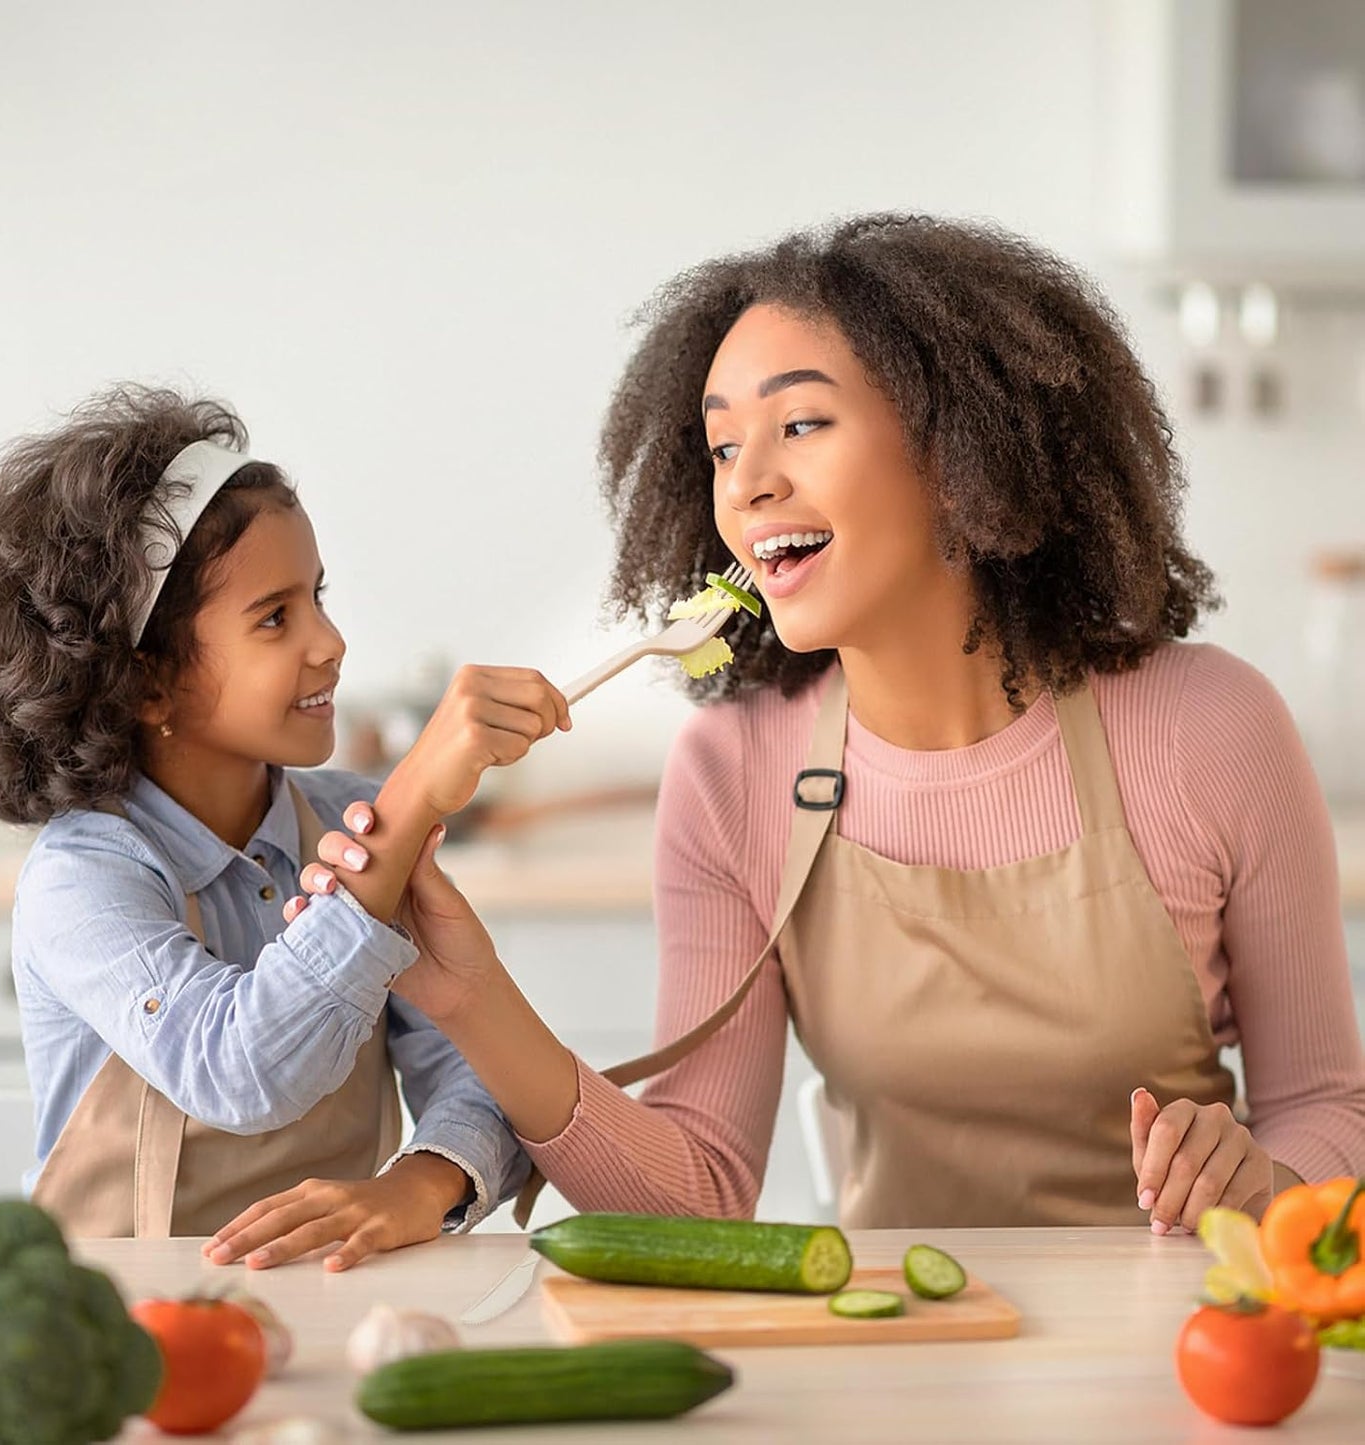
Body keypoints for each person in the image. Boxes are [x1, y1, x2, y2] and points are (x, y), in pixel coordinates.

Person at [207, 215, 1365, 1269]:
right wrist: (472, 998)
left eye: (800, 424)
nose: (747, 486)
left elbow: (1329, 1105)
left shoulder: (1210, 727)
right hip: (897, 1343)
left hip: (1194, 1352)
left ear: (964, 457)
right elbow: (697, 1198)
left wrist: (1267, 1185)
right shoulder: (735, 772)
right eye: (719, 449)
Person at [0, 386, 569, 1260]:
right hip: (131, 1314)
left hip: (336, 1289)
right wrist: (409, 802)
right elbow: (238, 1067)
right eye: (275, 616)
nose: (331, 640)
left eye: (318, 596)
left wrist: (423, 1180)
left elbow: (480, 1063)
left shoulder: (345, 816)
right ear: (147, 683)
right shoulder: (84, 877)